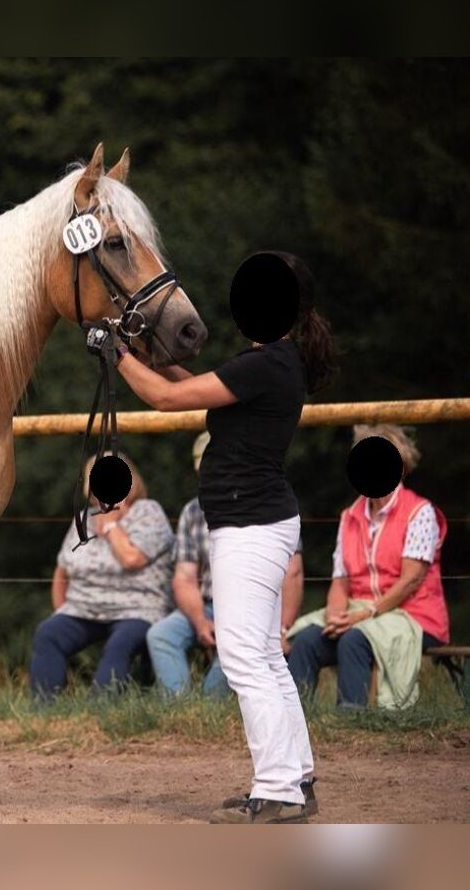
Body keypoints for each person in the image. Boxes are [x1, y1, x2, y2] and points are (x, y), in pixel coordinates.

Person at [113, 250, 338, 824]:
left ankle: (279, 788)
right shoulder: (273, 363)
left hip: (250, 526)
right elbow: (194, 387)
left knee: (242, 659)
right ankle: (295, 778)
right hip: (259, 522)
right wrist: (140, 350)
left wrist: (113, 354)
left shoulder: (267, 365)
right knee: (263, 656)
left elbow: (166, 399)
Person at [287, 424, 449, 709]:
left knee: (354, 639)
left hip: (415, 617)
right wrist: (336, 615)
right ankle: (293, 716)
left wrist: (365, 613)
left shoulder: (420, 512)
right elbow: (340, 581)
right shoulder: (350, 516)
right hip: (358, 613)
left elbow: (410, 581)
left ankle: (352, 720)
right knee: (308, 639)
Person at [147, 431, 305, 698]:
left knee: (230, 664)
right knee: (160, 635)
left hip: (252, 606)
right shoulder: (192, 512)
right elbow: (184, 577)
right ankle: (180, 706)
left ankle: (210, 707)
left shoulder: (267, 505)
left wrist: (282, 628)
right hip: (208, 605)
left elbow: (293, 572)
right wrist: (199, 622)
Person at [29, 452, 174, 698]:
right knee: (48, 633)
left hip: (138, 609)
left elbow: (131, 558)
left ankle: (100, 712)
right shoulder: (84, 520)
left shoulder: (148, 513)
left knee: (121, 644)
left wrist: (110, 526)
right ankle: (44, 711)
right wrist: (62, 611)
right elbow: (62, 570)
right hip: (84, 609)